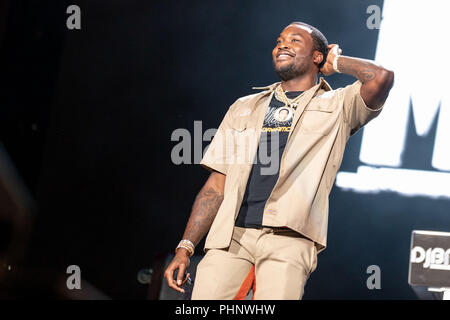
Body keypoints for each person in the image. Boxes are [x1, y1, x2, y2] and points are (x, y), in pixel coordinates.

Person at [164, 21, 394, 300]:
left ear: (317, 57)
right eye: (279, 40)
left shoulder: (338, 105)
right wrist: (185, 246)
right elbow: (216, 185)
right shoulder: (244, 106)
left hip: (289, 238)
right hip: (231, 238)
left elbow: (381, 77)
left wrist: (336, 61)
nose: (282, 44)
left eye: (295, 40)